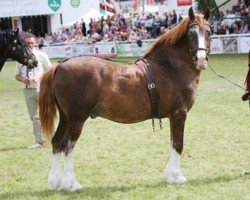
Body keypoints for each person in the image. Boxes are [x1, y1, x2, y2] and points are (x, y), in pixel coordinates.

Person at [15, 33, 52, 149]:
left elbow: (50, 71)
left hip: (42, 89)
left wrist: (39, 77)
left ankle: (55, 137)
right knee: (34, 116)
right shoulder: (20, 58)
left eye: (32, 43)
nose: (30, 45)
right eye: (28, 43)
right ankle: (39, 141)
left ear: (35, 43)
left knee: (47, 113)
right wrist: (22, 79)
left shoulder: (42, 55)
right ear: (24, 44)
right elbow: (16, 75)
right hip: (27, 91)